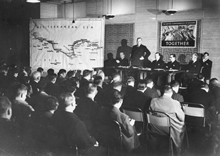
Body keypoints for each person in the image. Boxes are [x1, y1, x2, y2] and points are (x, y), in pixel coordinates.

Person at [149, 85, 185, 156]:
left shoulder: (153, 101)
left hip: (155, 127)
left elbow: (150, 113)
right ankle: (179, 150)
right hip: (169, 129)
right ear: (171, 93)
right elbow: (182, 118)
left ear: (163, 92)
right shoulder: (175, 103)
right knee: (183, 126)